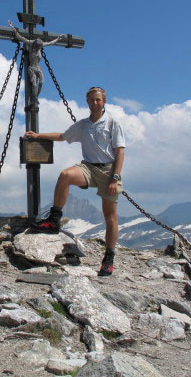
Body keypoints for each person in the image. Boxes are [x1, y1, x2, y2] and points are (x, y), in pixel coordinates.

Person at [25, 86, 125, 276]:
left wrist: (115, 177)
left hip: (108, 170)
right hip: (88, 167)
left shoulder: (113, 123)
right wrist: (38, 136)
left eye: (98, 100)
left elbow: (120, 152)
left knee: (110, 216)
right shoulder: (83, 125)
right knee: (65, 175)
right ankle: (54, 220)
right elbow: (62, 136)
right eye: (91, 100)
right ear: (87, 102)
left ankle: (109, 258)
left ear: (104, 101)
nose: (95, 103)